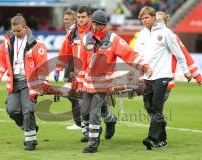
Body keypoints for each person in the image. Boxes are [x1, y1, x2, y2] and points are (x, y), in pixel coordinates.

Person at [80, 9, 152, 153]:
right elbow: (83, 61)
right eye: (93, 23)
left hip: (103, 81)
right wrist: (79, 79)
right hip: (88, 81)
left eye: (99, 24)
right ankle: (111, 119)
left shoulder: (114, 39)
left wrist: (144, 66)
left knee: (94, 112)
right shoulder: (86, 38)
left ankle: (93, 143)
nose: (95, 27)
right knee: (85, 112)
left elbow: (129, 54)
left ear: (104, 24)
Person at [55, 6, 118, 143]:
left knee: (98, 106)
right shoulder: (73, 32)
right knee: (81, 103)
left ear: (89, 17)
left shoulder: (96, 31)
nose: (80, 20)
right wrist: (59, 67)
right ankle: (88, 132)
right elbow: (65, 50)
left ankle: (109, 121)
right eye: (78, 17)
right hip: (78, 73)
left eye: (83, 17)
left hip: (96, 74)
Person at [134, 6, 192, 150]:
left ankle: (152, 138)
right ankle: (162, 139)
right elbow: (136, 56)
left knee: (156, 106)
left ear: (154, 18)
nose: (144, 20)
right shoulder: (141, 34)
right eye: (142, 18)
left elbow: (179, 54)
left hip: (163, 76)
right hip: (146, 77)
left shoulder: (166, 33)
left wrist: (186, 71)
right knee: (150, 107)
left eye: (147, 17)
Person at [0, 14, 48, 150]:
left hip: (30, 83)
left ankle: (31, 141)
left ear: (25, 28)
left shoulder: (37, 44)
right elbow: (1, 63)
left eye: (19, 31)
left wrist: (42, 83)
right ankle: (31, 128)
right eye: (14, 31)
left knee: (28, 110)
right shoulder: (7, 43)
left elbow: (43, 66)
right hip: (14, 83)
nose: (16, 33)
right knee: (12, 111)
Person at [155, 11, 202, 101]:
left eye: (160, 20)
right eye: (155, 20)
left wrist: (196, 74)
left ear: (165, 22)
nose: (157, 22)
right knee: (150, 108)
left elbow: (184, 55)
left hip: (164, 79)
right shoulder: (147, 36)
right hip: (149, 79)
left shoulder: (172, 37)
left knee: (155, 108)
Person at [54, 9, 82, 130]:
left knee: (74, 94)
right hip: (69, 66)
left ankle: (81, 122)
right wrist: (59, 68)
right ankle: (80, 122)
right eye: (64, 19)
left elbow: (66, 51)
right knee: (71, 95)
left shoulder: (77, 32)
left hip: (75, 67)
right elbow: (64, 51)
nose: (65, 21)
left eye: (67, 19)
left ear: (74, 20)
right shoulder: (70, 31)